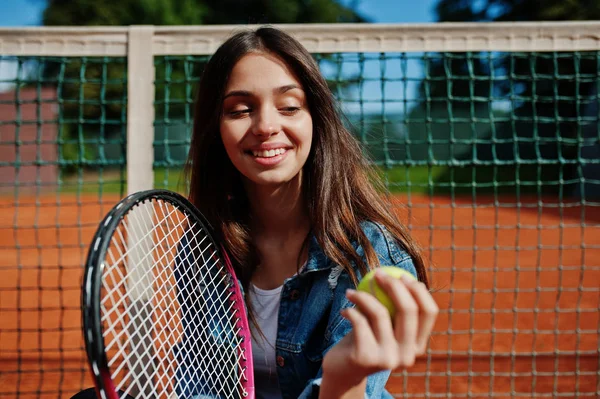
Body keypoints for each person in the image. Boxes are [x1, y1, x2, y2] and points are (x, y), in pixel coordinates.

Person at [183, 26, 439, 399]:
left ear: (315, 119)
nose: (267, 126)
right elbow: (200, 385)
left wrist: (343, 374)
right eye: (240, 110)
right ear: (215, 129)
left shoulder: (370, 253)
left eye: (289, 107)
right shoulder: (201, 250)